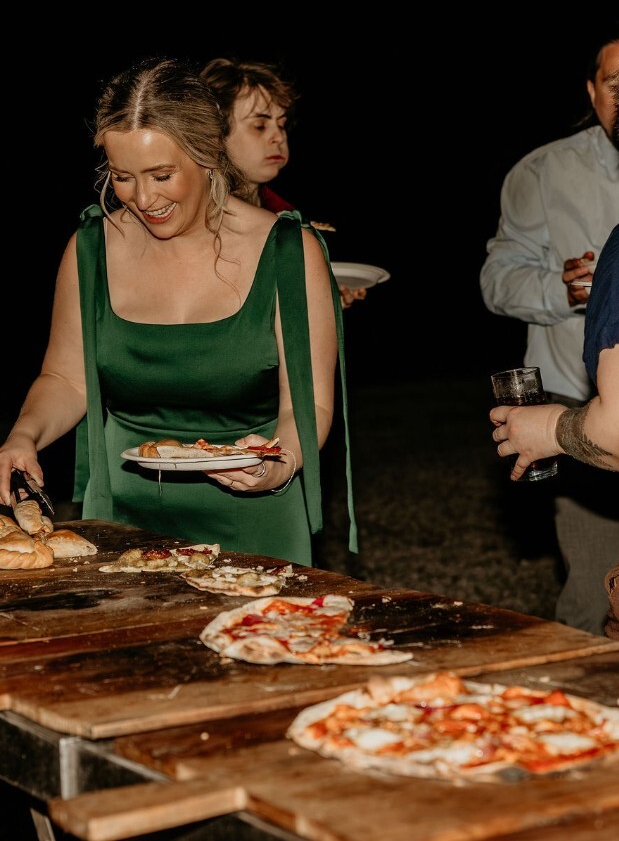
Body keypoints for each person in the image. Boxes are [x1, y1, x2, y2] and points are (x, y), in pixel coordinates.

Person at [0, 57, 357, 566]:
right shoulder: (90, 248)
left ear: (208, 154)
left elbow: (309, 406)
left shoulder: (288, 251)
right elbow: (66, 378)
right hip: (121, 523)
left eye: (162, 175)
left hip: (254, 520)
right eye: (122, 177)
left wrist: (279, 463)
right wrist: (24, 434)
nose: (143, 198)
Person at [489, 20, 619, 645]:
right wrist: (555, 290)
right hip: (577, 396)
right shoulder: (541, 171)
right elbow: (496, 279)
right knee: (591, 587)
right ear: (592, 91)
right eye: (617, 83)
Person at [200, 56, 367, 309]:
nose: (278, 136)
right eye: (260, 125)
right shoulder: (197, 217)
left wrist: (326, 300)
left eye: (282, 124)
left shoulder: (285, 214)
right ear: (214, 134)